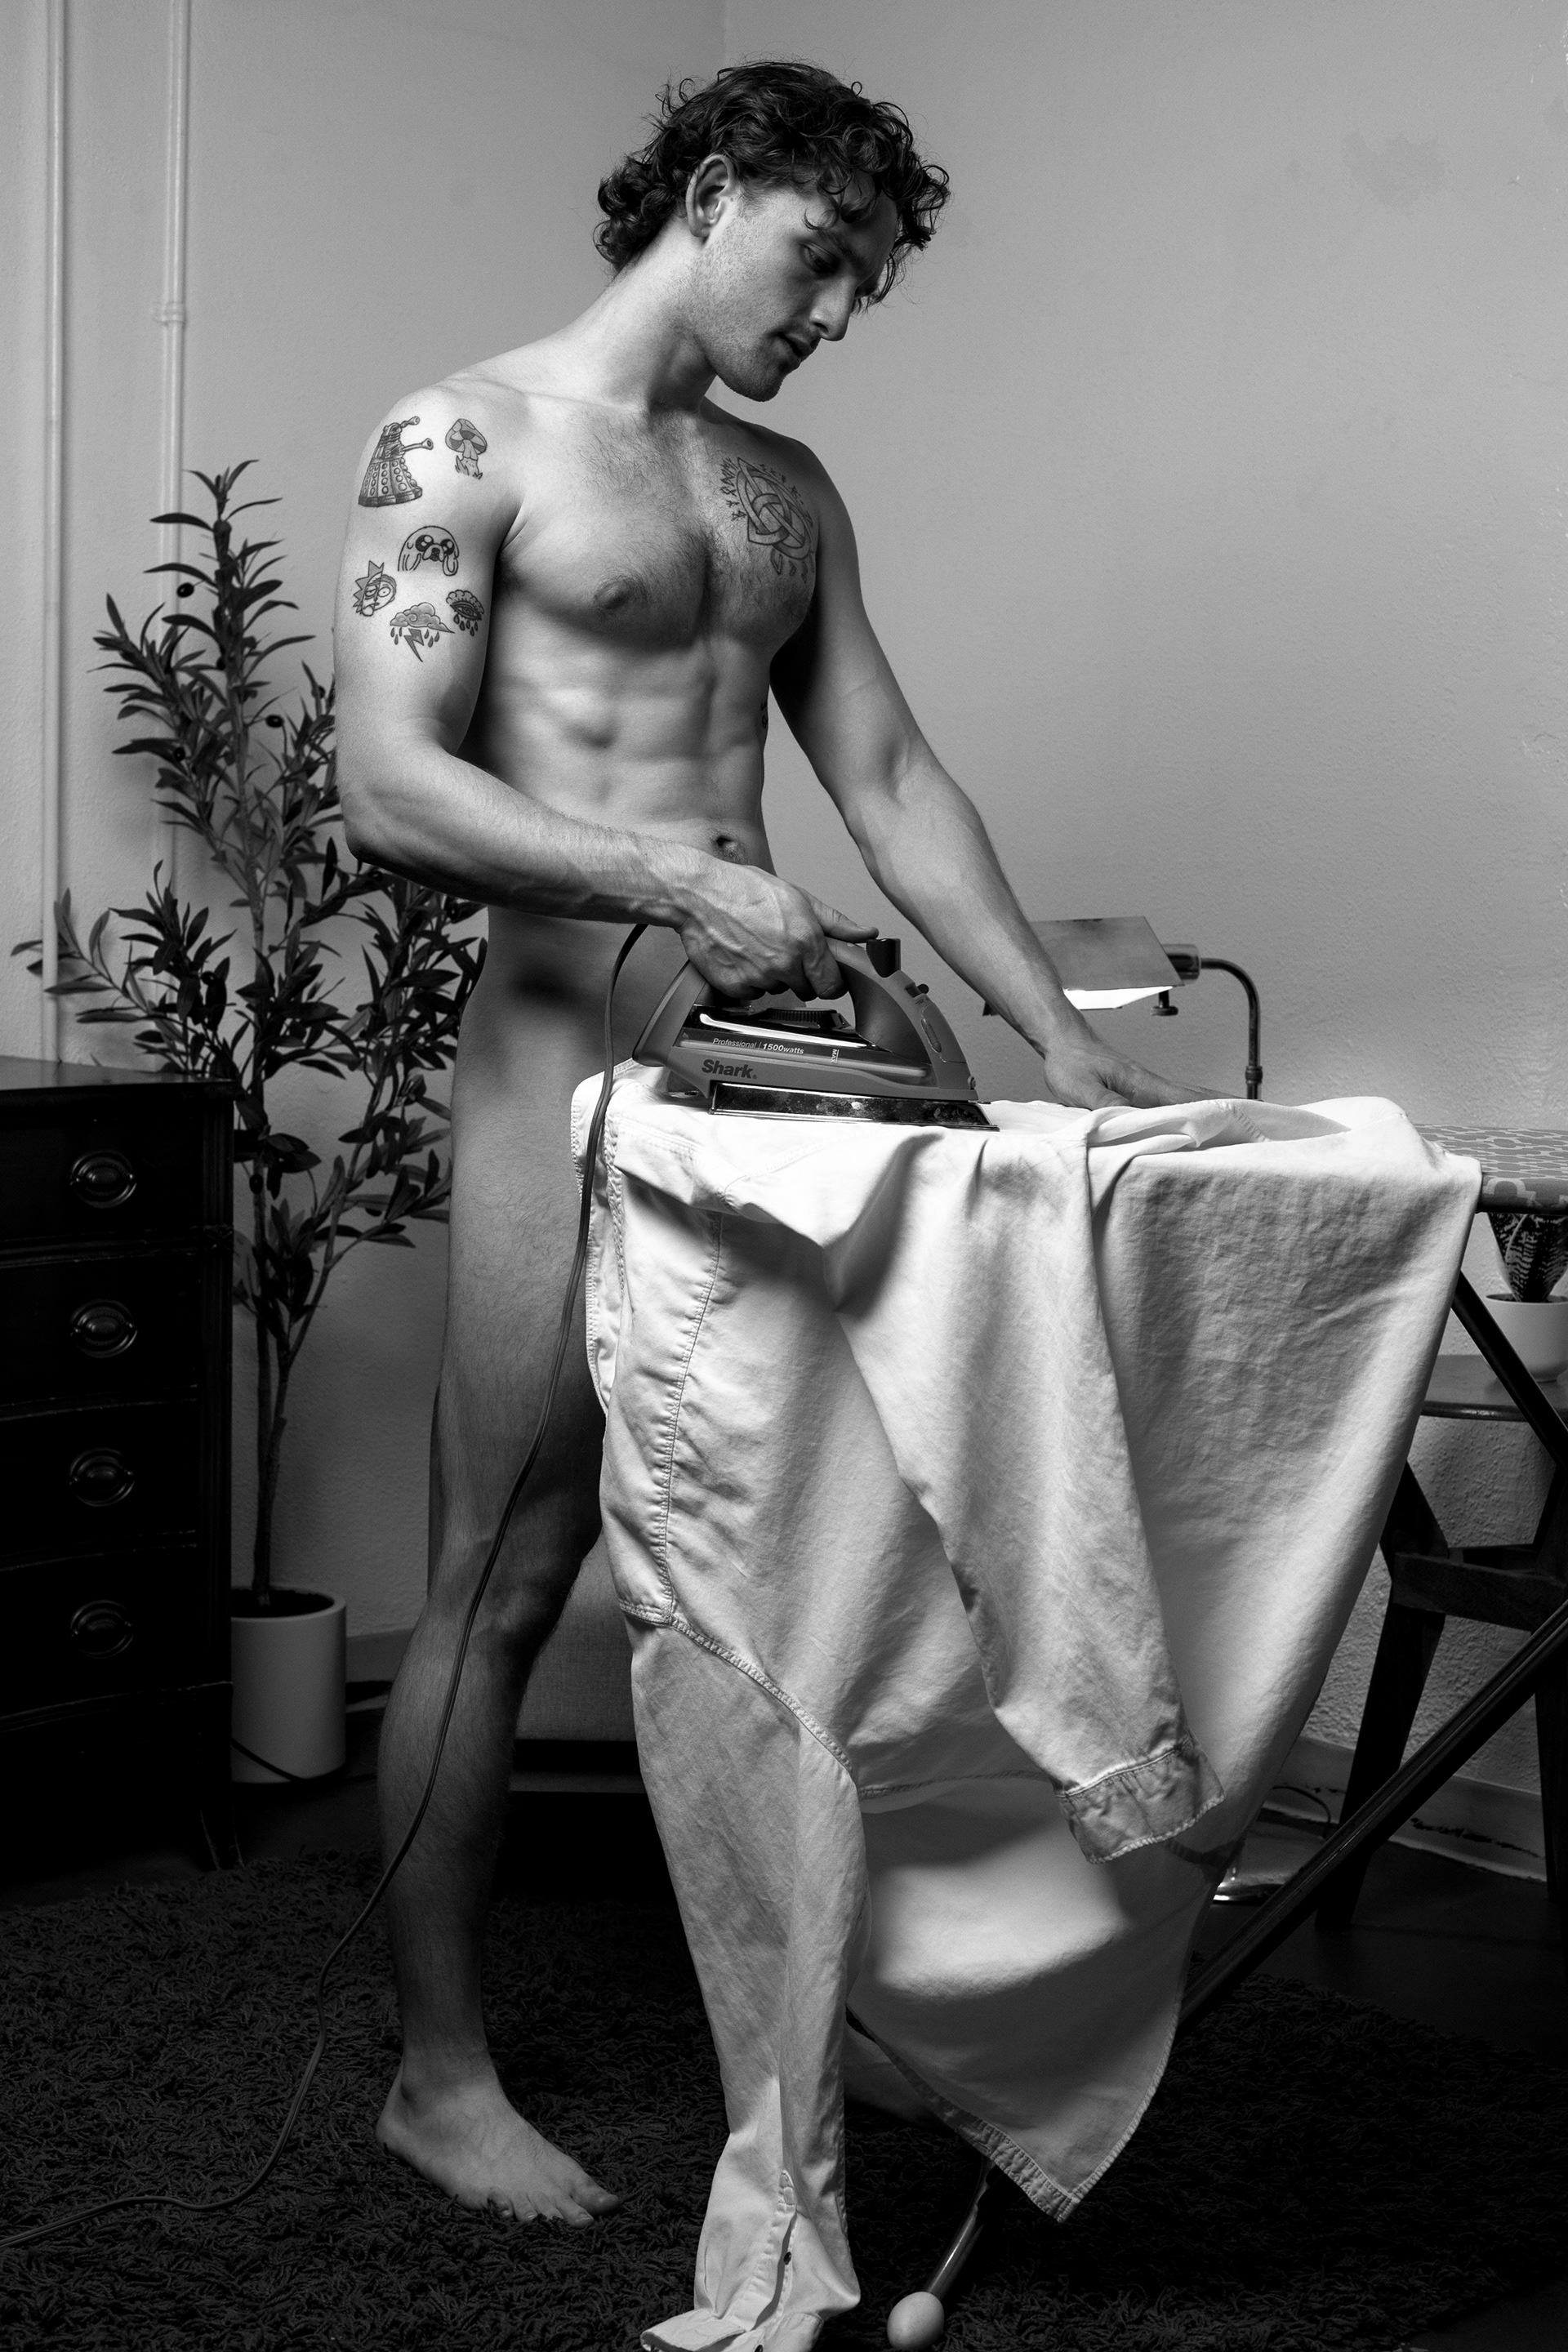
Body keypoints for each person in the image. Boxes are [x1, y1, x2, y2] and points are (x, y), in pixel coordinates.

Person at [333, 58, 1196, 2230]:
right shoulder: (462, 440)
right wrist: (678, 876)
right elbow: (388, 783)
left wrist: (1054, 1038)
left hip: (773, 1069)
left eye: (863, 292)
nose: (829, 318)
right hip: (564, 1057)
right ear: (713, 192)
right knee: (507, 1571)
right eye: (818, 262)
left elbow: (886, 776)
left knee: (841, 1564)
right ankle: (439, 2074)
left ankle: (858, 2009)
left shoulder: (786, 494)